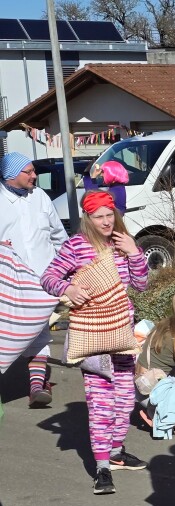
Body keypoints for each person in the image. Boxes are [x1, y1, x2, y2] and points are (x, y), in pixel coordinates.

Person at [40, 191, 149, 494]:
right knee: (102, 404)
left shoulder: (122, 243)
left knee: (126, 399)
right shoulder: (76, 245)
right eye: (97, 216)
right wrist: (68, 289)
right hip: (92, 337)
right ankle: (102, 468)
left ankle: (115, 452)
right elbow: (48, 277)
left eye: (108, 214)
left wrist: (135, 253)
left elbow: (141, 285)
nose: (104, 221)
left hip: (122, 334)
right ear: (87, 218)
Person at [0, 152, 68, 406]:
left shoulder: (40, 197)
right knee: (7, 332)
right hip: (8, 282)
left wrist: (71, 264)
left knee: (39, 331)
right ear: (11, 175)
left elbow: (58, 234)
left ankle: (37, 386)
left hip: (41, 280)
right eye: (28, 171)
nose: (34, 176)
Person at [135, 288, 175, 428]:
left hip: (142, 385)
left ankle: (157, 413)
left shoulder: (167, 324)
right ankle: (164, 416)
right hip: (152, 393)